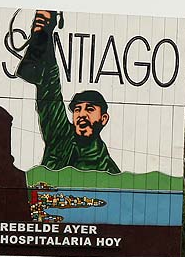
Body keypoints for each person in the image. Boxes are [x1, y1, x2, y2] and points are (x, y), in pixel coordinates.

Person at [15, 10, 121, 173]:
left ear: (104, 118)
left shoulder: (107, 168)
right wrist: (44, 35)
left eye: (90, 109)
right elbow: (50, 88)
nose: (82, 114)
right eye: (77, 109)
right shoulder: (61, 137)